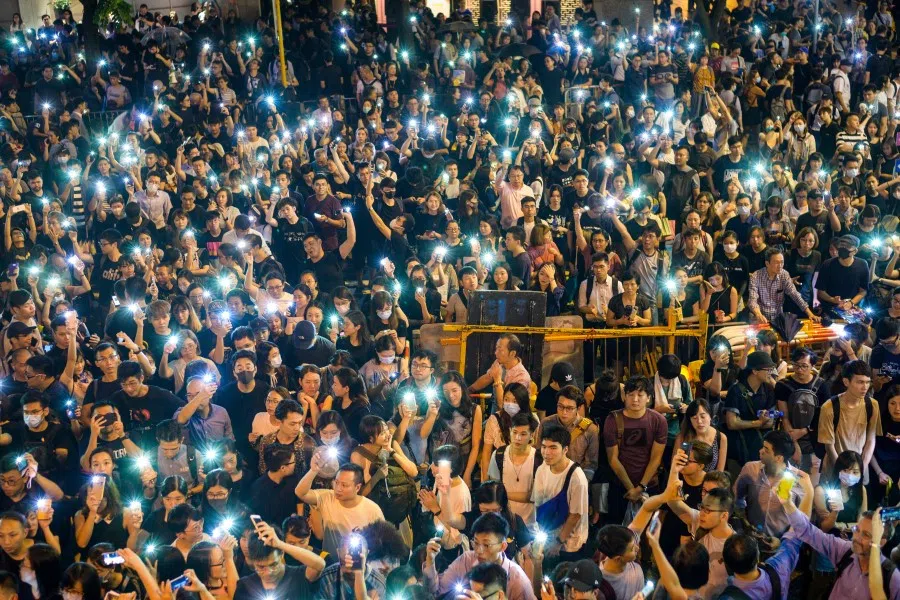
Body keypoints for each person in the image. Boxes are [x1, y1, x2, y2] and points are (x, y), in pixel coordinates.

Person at [423, 512, 535, 600]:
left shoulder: (518, 581)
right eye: (476, 543)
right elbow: (436, 592)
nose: (479, 551)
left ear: (503, 546)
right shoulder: (466, 560)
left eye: (486, 545)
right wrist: (430, 561)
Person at [602, 376, 667, 525]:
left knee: (649, 534)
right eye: (630, 395)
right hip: (621, 488)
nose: (635, 399)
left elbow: (656, 458)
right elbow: (613, 459)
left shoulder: (658, 421)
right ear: (624, 397)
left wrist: (641, 487)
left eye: (640, 395)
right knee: (619, 534)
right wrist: (631, 489)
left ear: (648, 398)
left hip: (650, 486)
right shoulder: (612, 420)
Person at [293, 462, 384, 556]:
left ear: (357, 487)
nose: (338, 489)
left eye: (344, 485)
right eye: (336, 483)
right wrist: (313, 470)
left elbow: (382, 541)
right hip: (331, 564)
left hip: (359, 565)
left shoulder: (372, 510)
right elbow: (300, 493)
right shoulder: (326, 497)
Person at [532, 423, 589, 561]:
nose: (546, 453)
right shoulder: (542, 469)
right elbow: (538, 503)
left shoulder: (577, 477)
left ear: (565, 449)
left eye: (553, 448)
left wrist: (558, 542)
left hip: (569, 544)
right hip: (547, 536)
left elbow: (575, 515)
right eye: (544, 447)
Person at [818, 360, 881, 482]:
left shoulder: (872, 405)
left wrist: (861, 468)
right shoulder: (829, 407)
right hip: (834, 467)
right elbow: (829, 445)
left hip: (861, 466)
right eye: (860, 382)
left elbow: (871, 439)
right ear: (846, 381)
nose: (865, 387)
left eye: (868, 382)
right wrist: (842, 471)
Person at [234, 520, 326, 600]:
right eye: (261, 567)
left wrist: (280, 544)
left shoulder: (299, 576)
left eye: (273, 564)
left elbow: (320, 564)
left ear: (282, 554)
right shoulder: (245, 586)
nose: (268, 572)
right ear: (253, 561)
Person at [534, 385, 599, 480]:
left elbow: (590, 464)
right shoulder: (546, 423)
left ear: (579, 407)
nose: (564, 412)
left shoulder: (589, 429)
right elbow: (539, 454)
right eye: (560, 406)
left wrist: (580, 482)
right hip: (549, 478)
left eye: (569, 408)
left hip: (576, 479)